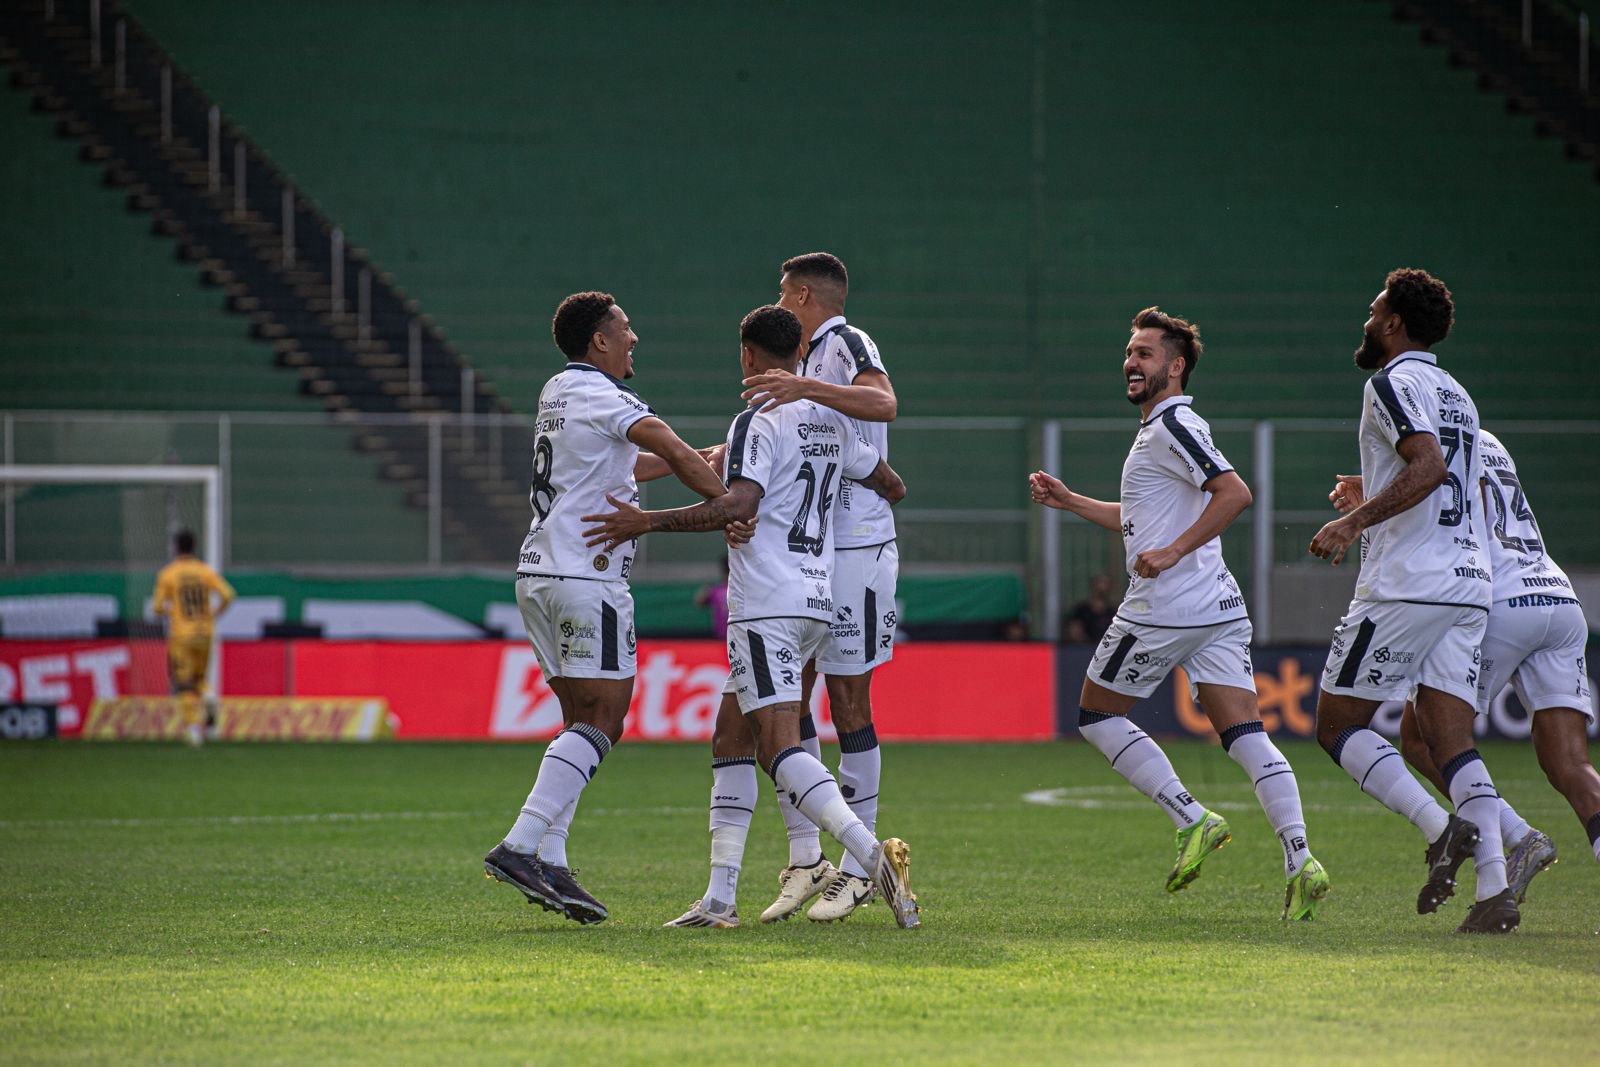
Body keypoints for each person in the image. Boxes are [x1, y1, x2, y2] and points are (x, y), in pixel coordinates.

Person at [580, 303, 920, 930]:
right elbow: (891, 483)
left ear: (747, 356)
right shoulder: (837, 420)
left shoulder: (755, 422)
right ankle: (718, 899)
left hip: (765, 604)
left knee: (777, 744)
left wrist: (646, 521)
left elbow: (737, 503)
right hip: (819, 598)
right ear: (800, 354)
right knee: (731, 736)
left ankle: (874, 860)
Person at [1030, 307, 1330, 920]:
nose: (1131, 362)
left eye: (1144, 353)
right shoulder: (1162, 430)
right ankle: (1300, 858)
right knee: (1246, 734)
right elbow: (1144, 517)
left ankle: (1191, 817)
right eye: (1129, 352)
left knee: (1095, 715)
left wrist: (1170, 552)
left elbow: (1236, 493)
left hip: (1164, 608)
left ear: (1176, 365)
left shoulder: (1174, 425)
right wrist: (1071, 501)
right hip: (1215, 605)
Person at [482, 291, 729, 926]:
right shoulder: (607, 397)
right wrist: (728, 499)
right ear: (599, 341)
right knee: (607, 718)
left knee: (577, 719)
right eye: (625, 328)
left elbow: (624, 463)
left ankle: (553, 857)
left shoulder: (557, 392)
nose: (634, 337)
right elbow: (662, 444)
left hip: (538, 571)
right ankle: (519, 845)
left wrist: (698, 458)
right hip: (586, 575)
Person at [1308, 268, 1516, 934]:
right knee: (1451, 744)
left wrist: (1355, 520)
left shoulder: (1390, 381)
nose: (1367, 321)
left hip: (1406, 583)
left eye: (1373, 311)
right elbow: (1447, 476)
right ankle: (1495, 891)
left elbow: (1429, 467)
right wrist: (1366, 486)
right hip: (1467, 583)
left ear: (1394, 323)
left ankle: (1439, 829)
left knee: (1337, 724)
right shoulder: (1457, 392)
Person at [1333, 430, 1599, 908]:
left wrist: (1366, 513)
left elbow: (1453, 507)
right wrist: (1378, 491)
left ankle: (1515, 842)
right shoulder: (1484, 438)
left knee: (1423, 738)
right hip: (1556, 595)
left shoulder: (1428, 441)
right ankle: (1521, 841)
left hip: (1498, 601)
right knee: (1573, 765)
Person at [735, 251, 902, 923]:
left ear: (803, 294)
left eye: (783, 291)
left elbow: (884, 404)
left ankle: (863, 868)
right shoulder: (803, 365)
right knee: (789, 698)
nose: (780, 300)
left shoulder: (845, 342)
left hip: (859, 549)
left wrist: (810, 390)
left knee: (848, 702)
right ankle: (808, 857)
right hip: (813, 553)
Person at [151, 528, 234, 747]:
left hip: (182, 634)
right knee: (200, 681)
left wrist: (172, 612)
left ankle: (193, 729)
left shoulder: (168, 574)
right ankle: (209, 701)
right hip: (205, 632)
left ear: (176, 548)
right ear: (193, 546)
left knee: (183, 684)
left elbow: (157, 607)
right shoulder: (204, 571)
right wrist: (215, 613)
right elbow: (228, 594)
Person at [1065, 574, 1118, 644]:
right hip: (1084, 649)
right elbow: (1075, 632)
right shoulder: (1081, 610)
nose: (1102, 588)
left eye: (1105, 584)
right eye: (1100, 583)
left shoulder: (1113, 612)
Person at [696, 555, 730, 640]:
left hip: (732, 636)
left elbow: (698, 602)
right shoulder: (715, 590)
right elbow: (699, 602)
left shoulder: (715, 590)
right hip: (721, 638)